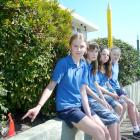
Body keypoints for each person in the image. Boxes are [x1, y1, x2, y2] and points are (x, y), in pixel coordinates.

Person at [22, 33, 109, 140]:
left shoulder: (84, 65)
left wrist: (88, 114)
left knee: (105, 131)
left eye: (81, 46)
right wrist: (38, 106)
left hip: (79, 106)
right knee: (98, 132)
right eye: (75, 46)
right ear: (70, 47)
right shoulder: (63, 63)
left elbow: (83, 91)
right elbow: (51, 86)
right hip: (67, 108)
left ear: (86, 48)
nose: (78, 49)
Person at [84, 42, 121, 140]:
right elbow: (86, 88)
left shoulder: (91, 66)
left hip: (97, 98)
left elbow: (95, 84)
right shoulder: (84, 66)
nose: (94, 54)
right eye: (92, 51)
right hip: (90, 100)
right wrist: (102, 100)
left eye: (96, 52)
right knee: (113, 119)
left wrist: (103, 100)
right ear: (86, 51)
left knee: (115, 117)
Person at [110, 46, 140, 139]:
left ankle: (138, 128)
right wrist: (113, 92)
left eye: (118, 55)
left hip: (118, 89)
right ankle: (136, 130)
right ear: (110, 54)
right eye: (114, 54)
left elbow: (115, 80)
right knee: (130, 104)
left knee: (133, 106)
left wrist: (121, 88)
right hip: (113, 91)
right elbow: (106, 82)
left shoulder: (116, 64)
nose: (116, 56)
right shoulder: (108, 65)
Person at [96, 47, 127, 122]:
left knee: (124, 104)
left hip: (107, 92)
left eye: (107, 55)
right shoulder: (96, 67)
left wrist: (113, 92)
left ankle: (117, 125)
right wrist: (111, 94)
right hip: (99, 93)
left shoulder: (106, 67)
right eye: (103, 54)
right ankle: (115, 126)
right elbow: (97, 86)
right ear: (99, 55)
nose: (106, 56)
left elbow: (106, 82)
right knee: (119, 107)